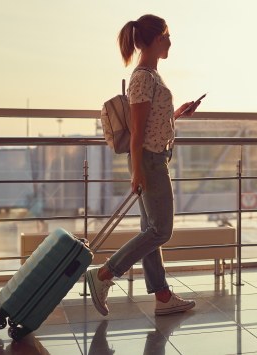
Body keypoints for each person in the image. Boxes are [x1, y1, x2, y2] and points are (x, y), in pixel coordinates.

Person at [85, 14, 199, 317]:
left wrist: (177, 114)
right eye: (167, 36)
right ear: (157, 38)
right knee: (161, 231)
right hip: (149, 161)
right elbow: (136, 133)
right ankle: (104, 275)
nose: (171, 41)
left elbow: (149, 124)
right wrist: (137, 172)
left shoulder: (151, 76)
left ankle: (162, 296)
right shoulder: (143, 79)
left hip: (153, 157)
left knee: (150, 229)